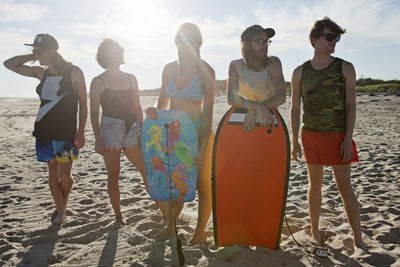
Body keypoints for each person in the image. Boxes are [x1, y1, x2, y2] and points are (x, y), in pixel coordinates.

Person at [290, 17, 365, 250]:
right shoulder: (300, 71)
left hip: (337, 135)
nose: (334, 42)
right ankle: (314, 232)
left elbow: (351, 106)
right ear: (314, 40)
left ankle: (358, 238)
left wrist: (346, 139)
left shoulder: (345, 67)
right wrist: (294, 140)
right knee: (315, 185)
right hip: (310, 134)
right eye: (330, 37)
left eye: (337, 37)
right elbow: (295, 108)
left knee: (345, 187)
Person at [3, 34, 87, 225]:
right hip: (44, 132)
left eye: (39, 50)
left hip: (66, 132)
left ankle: (61, 205)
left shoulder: (74, 72)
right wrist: (31, 56)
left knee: (66, 177)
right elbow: (9, 64)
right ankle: (62, 211)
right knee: (52, 172)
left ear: (51, 51)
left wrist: (81, 131)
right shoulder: (42, 72)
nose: (36, 53)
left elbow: (83, 104)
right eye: (34, 50)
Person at [145, 22, 215, 245]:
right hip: (173, 135)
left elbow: (208, 113)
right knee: (174, 181)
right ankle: (171, 226)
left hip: (199, 134)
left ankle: (200, 232)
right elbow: (162, 103)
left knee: (202, 183)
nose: (187, 43)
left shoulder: (207, 71)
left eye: (192, 39)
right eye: (183, 38)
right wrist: (154, 112)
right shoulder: (168, 69)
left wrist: (203, 146)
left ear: (198, 42)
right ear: (176, 41)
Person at [90, 39, 162, 225]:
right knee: (113, 174)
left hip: (133, 127)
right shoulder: (98, 81)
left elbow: (137, 106)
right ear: (104, 56)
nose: (116, 55)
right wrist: (97, 138)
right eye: (111, 52)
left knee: (145, 170)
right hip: (109, 128)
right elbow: (94, 112)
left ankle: (162, 209)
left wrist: (142, 130)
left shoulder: (131, 78)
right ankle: (118, 216)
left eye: (117, 51)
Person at [227, 25, 286, 132]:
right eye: (260, 40)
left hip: (269, 117)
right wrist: (256, 107)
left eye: (266, 41)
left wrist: (257, 108)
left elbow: (281, 96)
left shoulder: (274, 63)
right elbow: (231, 98)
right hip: (242, 118)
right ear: (247, 44)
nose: (265, 45)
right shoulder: (235, 66)